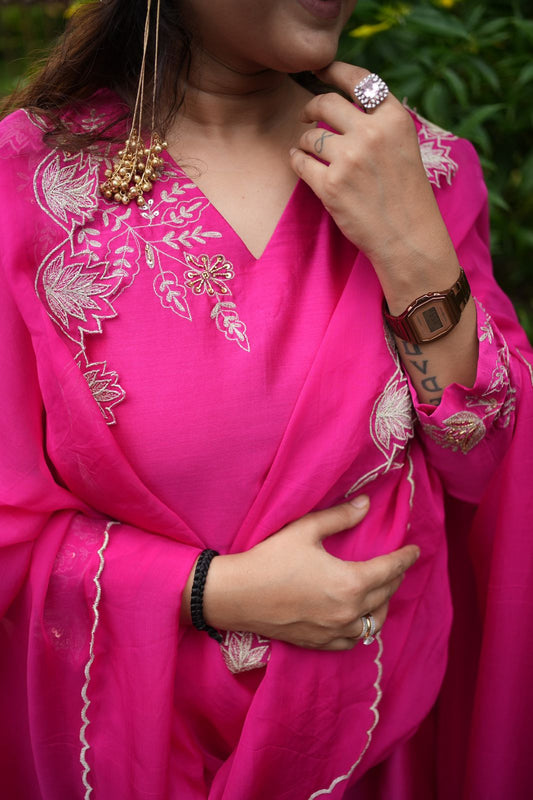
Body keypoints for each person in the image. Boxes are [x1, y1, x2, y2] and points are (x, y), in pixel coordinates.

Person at [0, 1, 532, 798]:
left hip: (380, 740)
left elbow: (483, 463)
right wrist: (209, 592)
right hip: (134, 752)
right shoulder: (22, 190)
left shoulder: (413, 166)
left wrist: (411, 246)